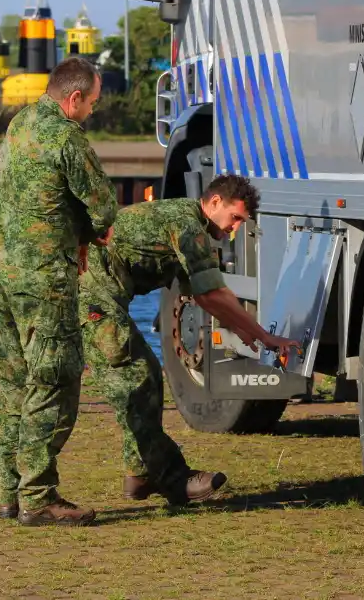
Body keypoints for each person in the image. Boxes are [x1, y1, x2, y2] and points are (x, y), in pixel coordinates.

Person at [78, 174, 300, 505]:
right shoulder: (188, 226)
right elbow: (213, 294)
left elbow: (204, 296)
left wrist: (245, 330)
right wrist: (262, 335)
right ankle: (171, 478)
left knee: (144, 379)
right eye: (234, 218)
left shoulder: (187, 223)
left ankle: (140, 475)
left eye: (242, 222)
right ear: (213, 203)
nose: (235, 230)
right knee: (138, 377)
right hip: (88, 295)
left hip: (97, 295)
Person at [0, 56, 117, 527]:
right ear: (73, 98)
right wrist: (88, 235)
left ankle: (8, 493)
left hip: (0, 273)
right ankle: (38, 496)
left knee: (14, 382)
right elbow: (102, 208)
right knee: (55, 381)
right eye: (92, 103)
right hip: (43, 280)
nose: (92, 112)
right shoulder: (67, 137)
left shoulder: (20, 123)